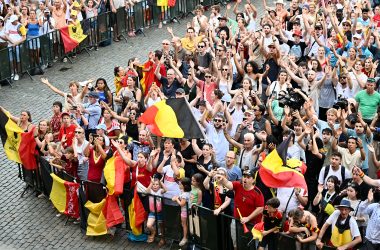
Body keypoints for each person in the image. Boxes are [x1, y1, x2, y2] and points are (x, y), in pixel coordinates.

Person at [172, 177, 191, 247]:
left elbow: (181, 204)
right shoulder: (187, 192)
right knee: (185, 224)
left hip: (184, 212)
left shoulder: (185, 194)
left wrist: (176, 199)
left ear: (184, 186)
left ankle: (185, 238)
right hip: (187, 211)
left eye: (180, 184)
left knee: (184, 225)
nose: (179, 184)